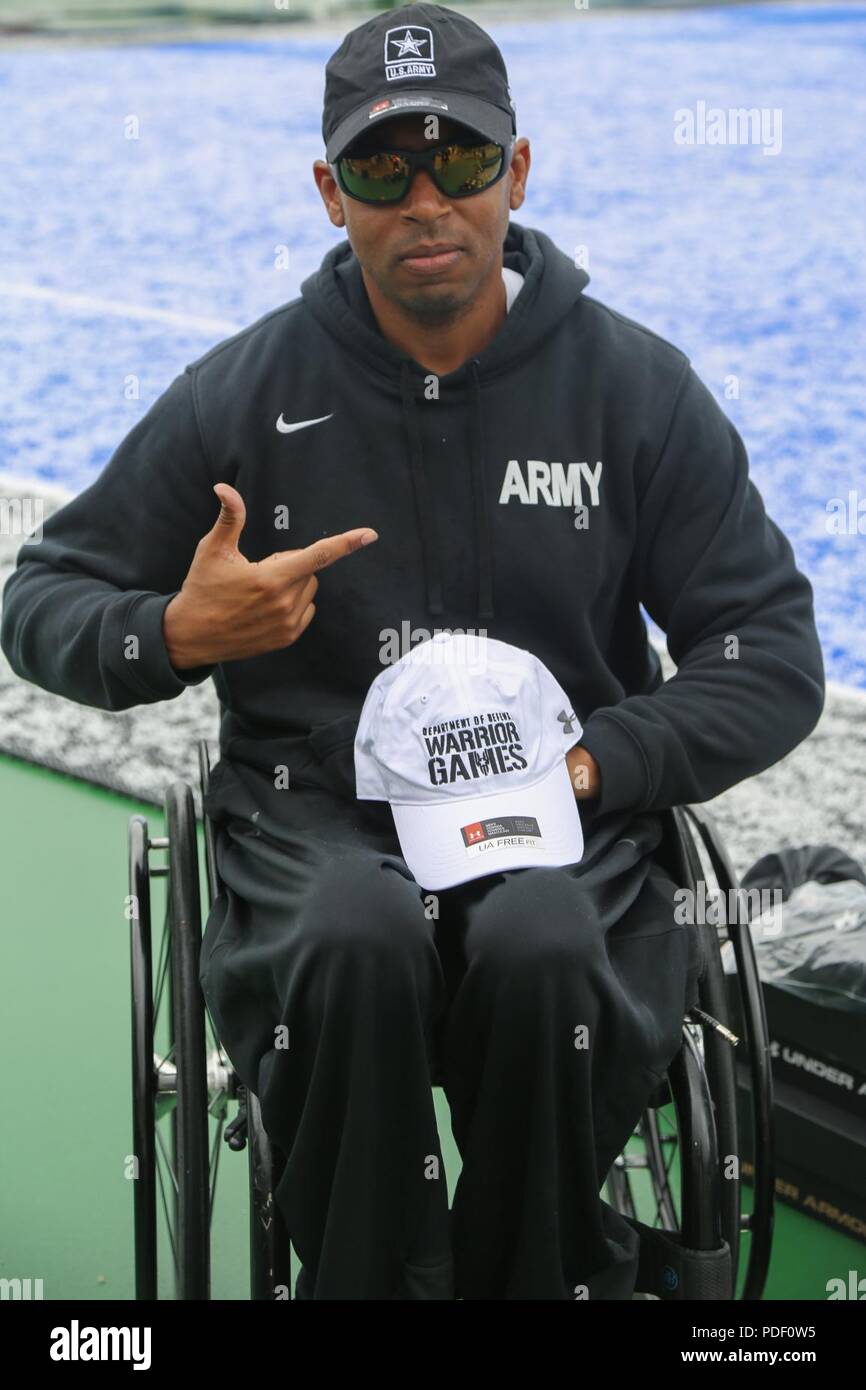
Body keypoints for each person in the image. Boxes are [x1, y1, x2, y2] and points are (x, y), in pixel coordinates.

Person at [0, 2, 825, 1299]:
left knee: (545, 943)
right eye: (386, 167)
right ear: (331, 194)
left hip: (565, 822)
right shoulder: (243, 394)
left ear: (520, 171)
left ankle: (541, 1271)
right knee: (352, 933)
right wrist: (166, 631)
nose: (427, 199)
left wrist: (599, 765)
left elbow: (771, 653)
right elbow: (43, 595)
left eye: (464, 161)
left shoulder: (632, 392)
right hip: (317, 816)